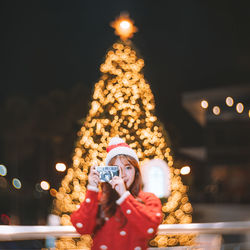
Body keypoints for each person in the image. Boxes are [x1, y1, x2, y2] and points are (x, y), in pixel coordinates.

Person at [71, 137, 163, 250]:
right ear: (108, 173)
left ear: (136, 172)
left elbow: (150, 229)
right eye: (116, 169)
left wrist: (124, 196)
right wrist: (92, 189)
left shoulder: (149, 199)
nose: (122, 174)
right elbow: (82, 228)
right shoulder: (99, 198)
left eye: (128, 167)